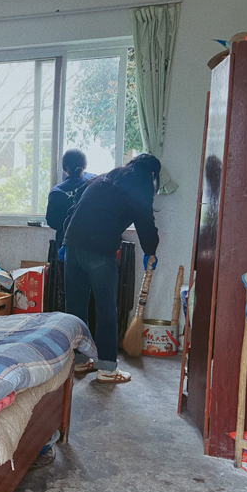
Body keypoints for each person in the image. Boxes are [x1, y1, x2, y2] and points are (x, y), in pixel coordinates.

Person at [60, 154, 160, 384]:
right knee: (106, 310)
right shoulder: (138, 186)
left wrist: (67, 242)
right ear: (152, 174)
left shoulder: (101, 179)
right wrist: (150, 251)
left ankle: (79, 360)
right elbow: (145, 223)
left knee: (75, 308)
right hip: (99, 251)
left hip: (72, 246)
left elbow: (73, 211)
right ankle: (107, 368)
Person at [45, 149, 96, 314]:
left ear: (64, 169)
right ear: (85, 165)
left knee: (68, 293)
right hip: (94, 248)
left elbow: (52, 222)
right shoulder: (94, 184)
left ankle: (70, 328)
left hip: (66, 248)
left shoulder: (57, 191)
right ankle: (90, 330)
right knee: (94, 294)